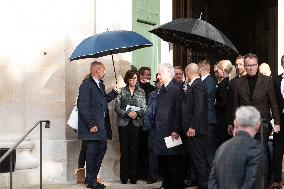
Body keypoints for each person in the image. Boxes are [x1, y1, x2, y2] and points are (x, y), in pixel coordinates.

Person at [232, 53, 280, 187]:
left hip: (262, 124)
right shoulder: (238, 82)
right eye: (248, 65)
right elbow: (235, 105)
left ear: (257, 65)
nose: (251, 68)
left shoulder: (267, 81)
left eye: (253, 65)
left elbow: (273, 103)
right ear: (245, 66)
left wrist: (277, 122)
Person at [77, 61, 119, 189]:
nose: (104, 72)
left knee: (101, 150)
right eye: (103, 70)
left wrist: (114, 93)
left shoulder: (100, 84)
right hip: (92, 128)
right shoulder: (86, 85)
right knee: (91, 154)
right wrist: (91, 124)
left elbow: (103, 101)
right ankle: (91, 181)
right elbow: (83, 106)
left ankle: (92, 179)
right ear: (97, 71)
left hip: (102, 127)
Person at [208, 106, 265, 189]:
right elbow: (253, 182)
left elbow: (212, 182)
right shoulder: (255, 148)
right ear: (258, 125)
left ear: (235, 123)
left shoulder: (222, 148)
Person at [155, 63, 186, 189]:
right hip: (162, 131)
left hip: (172, 133)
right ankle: (166, 185)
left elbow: (179, 111)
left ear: (168, 74)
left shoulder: (176, 89)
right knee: (165, 162)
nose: (158, 76)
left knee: (173, 163)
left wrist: (176, 130)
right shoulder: (162, 89)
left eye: (160, 73)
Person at [114, 70, 147, 184]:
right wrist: (126, 113)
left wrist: (137, 113)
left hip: (136, 123)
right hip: (124, 124)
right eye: (131, 78)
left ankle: (133, 177)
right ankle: (124, 177)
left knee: (134, 150)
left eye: (135, 78)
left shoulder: (141, 92)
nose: (133, 81)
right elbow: (117, 108)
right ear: (127, 79)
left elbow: (144, 108)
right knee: (124, 150)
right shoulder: (122, 91)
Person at [182, 63, 210, 189]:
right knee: (197, 159)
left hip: (196, 130)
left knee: (199, 160)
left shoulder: (198, 85)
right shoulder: (194, 85)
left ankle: (204, 186)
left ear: (188, 73)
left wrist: (193, 126)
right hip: (194, 129)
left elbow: (199, 108)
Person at [143, 73, 163, 184]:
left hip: (166, 128)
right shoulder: (152, 94)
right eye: (157, 83)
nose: (158, 84)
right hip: (154, 127)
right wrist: (147, 126)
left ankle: (165, 175)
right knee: (152, 152)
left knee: (167, 152)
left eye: (160, 82)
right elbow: (149, 110)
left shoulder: (169, 93)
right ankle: (152, 175)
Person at [137, 67, 155, 180]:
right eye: (145, 75)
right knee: (139, 149)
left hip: (150, 123)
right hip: (138, 123)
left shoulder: (152, 89)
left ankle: (149, 173)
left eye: (149, 75)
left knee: (149, 149)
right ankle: (140, 172)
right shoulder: (136, 88)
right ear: (140, 76)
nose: (148, 77)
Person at [198, 60, 217, 166]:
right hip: (204, 119)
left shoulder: (209, 81)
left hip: (208, 119)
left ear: (200, 70)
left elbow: (204, 98)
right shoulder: (204, 81)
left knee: (209, 149)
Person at [271, 55, 284, 189]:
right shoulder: (276, 80)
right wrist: (274, 120)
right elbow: (273, 101)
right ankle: (277, 179)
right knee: (277, 150)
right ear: (282, 64)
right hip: (280, 119)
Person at [214, 60, 234, 146]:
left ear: (222, 70)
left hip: (222, 119)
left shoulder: (223, 84)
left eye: (217, 70)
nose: (217, 72)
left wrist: (215, 104)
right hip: (229, 118)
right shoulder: (231, 82)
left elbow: (225, 102)